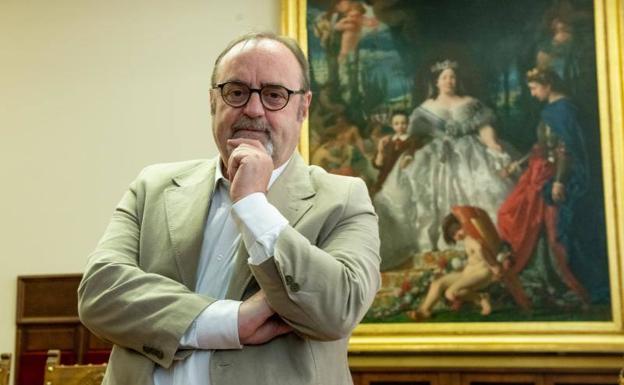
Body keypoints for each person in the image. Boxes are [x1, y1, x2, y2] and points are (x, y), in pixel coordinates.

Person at [78, 32, 381, 385]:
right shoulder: (153, 187)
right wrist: (231, 322)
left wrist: (254, 205)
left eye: (274, 95)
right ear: (212, 102)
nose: (253, 109)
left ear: (303, 107)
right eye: (236, 92)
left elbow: (337, 310)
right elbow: (98, 293)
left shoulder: (344, 199)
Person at [374, 59, 515, 271]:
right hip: (435, 158)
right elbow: (415, 139)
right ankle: (435, 253)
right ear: (437, 82)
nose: (449, 81)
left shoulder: (470, 102)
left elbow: (484, 128)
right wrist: (409, 154)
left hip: (470, 155)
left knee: (483, 191)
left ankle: (485, 250)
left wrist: (493, 144)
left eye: (453, 77)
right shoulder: (424, 109)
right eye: (445, 77)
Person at [497, 67, 591, 308]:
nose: (532, 92)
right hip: (539, 173)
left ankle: (563, 281)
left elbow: (564, 149)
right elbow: (540, 146)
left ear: (548, 84)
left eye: (534, 87)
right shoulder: (552, 110)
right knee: (519, 217)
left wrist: (559, 180)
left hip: (553, 177)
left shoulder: (563, 111)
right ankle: (542, 273)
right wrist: (516, 164)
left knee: (550, 226)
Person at [416, 208, 503, 318]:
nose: (458, 234)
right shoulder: (467, 240)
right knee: (437, 283)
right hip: (468, 273)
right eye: (453, 234)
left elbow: (480, 249)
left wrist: (494, 266)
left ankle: (480, 298)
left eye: (458, 229)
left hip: (481, 273)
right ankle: (424, 310)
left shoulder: (471, 239)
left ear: (464, 224)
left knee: (451, 293)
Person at [371, 110, 421, 195]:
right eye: (396, 124)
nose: (400, 126)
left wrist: (408, 158)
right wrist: (380, 150)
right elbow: (378, 165)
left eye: (403, 123)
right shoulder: (387, 142)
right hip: (385, 178)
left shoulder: (413, 141)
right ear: (392, 125)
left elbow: (414, 158)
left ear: (408, 124)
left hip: (403, 179)